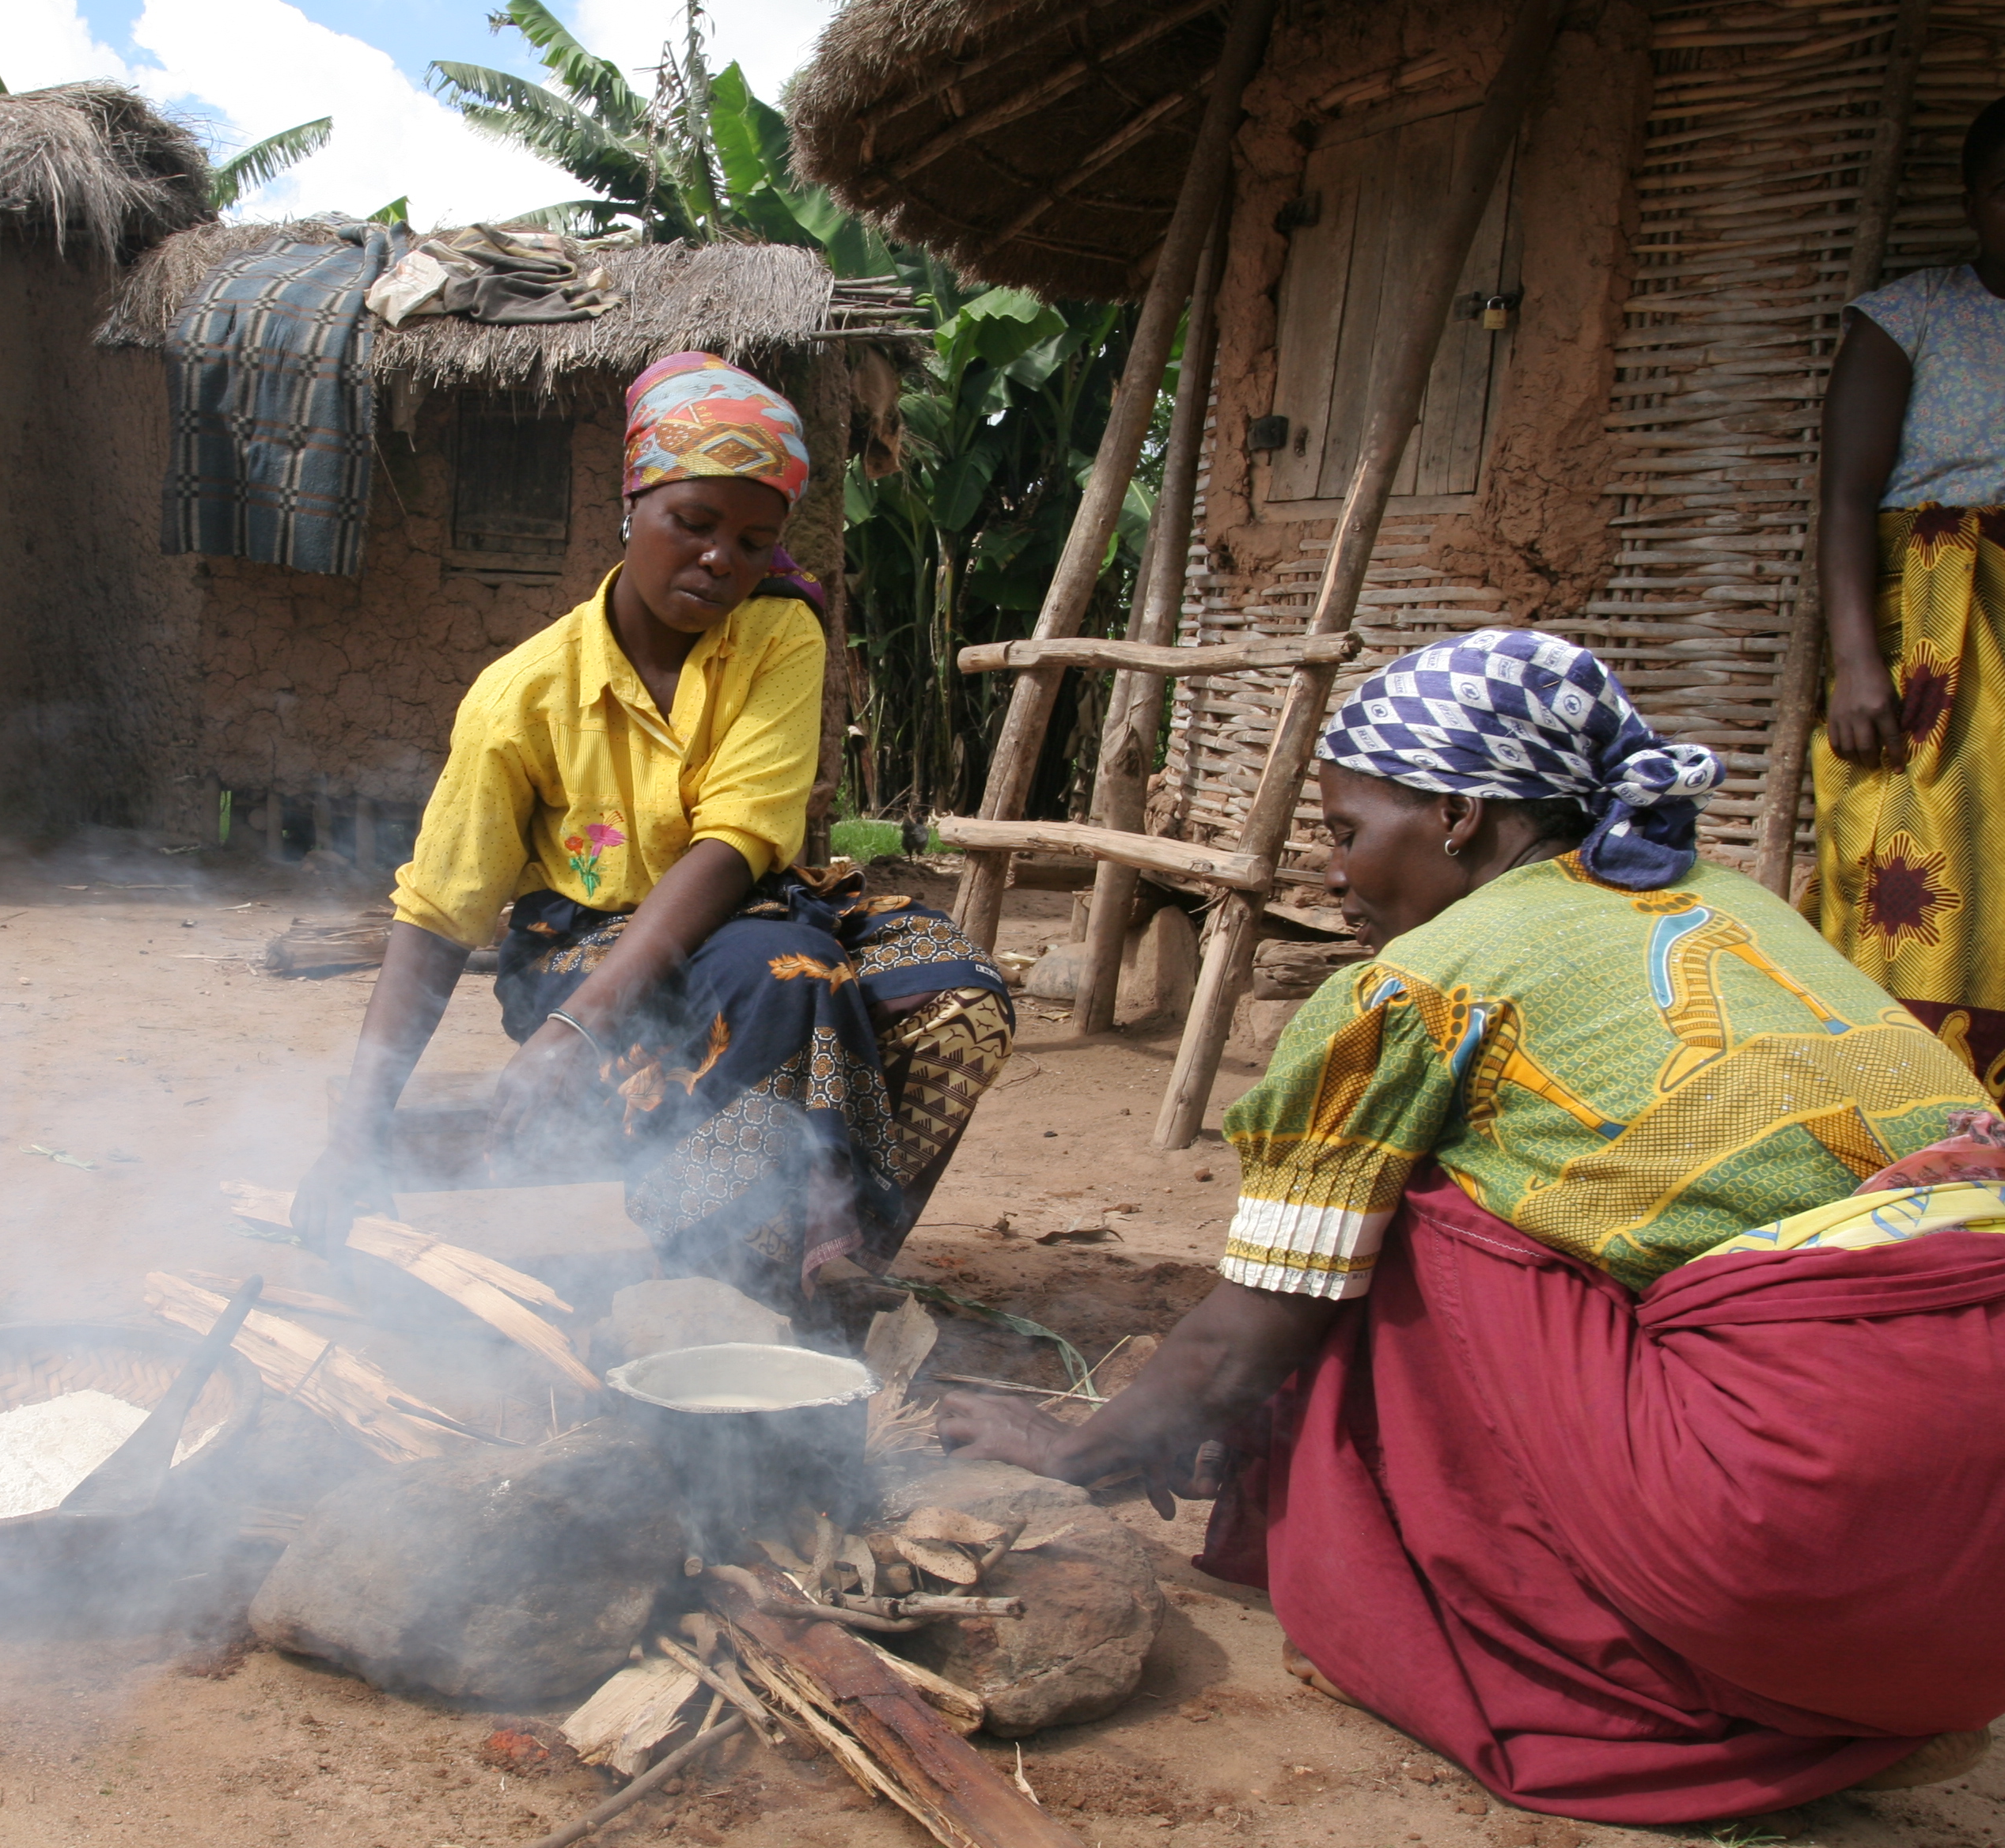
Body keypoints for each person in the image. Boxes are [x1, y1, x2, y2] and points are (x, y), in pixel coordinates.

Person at [942, 629, 2005, 1824]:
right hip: (1975, 1575)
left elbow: (1255, 1330)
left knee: (1403, 1215)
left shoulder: (1422, 983)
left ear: (1455, 813)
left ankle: (1615, 1676)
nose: (1334, 877)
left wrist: (1079, 1453)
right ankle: (1840, 1675)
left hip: (1796, 1528)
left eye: (1347, 834)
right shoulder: (1741, 906)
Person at [292, 352, 1012, 1313]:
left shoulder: (778, 634)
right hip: (581, 956)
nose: (724, 559)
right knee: (779, 974)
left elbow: (739, 840)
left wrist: (589, 1026)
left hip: (749, 909)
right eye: (695, 522)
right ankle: (736, 1289)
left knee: (956, 994)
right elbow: (437, 913)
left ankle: (825, 1253)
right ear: (631, 506)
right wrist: (359, 1126)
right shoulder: (524, 694)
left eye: (755, 541)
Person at [1811, 96, 2005, 1099]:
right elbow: (1845, 497)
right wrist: (1855, 659)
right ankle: (1913, 1093)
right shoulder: (1910, 316)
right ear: (1973, 198)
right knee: (1927, 842)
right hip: (1938, 626)